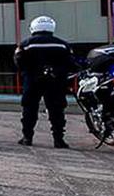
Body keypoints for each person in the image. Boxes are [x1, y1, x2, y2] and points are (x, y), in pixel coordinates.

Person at [14, 15, 74, 148]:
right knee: (57, 111)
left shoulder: (26, 44)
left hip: (33, 81)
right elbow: (70, 63)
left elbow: (19, 61)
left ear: (34, 27)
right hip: (56, 81)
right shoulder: (62, 44)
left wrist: (29, 72)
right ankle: (59, 139)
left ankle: (27, 137)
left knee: (29, 109)